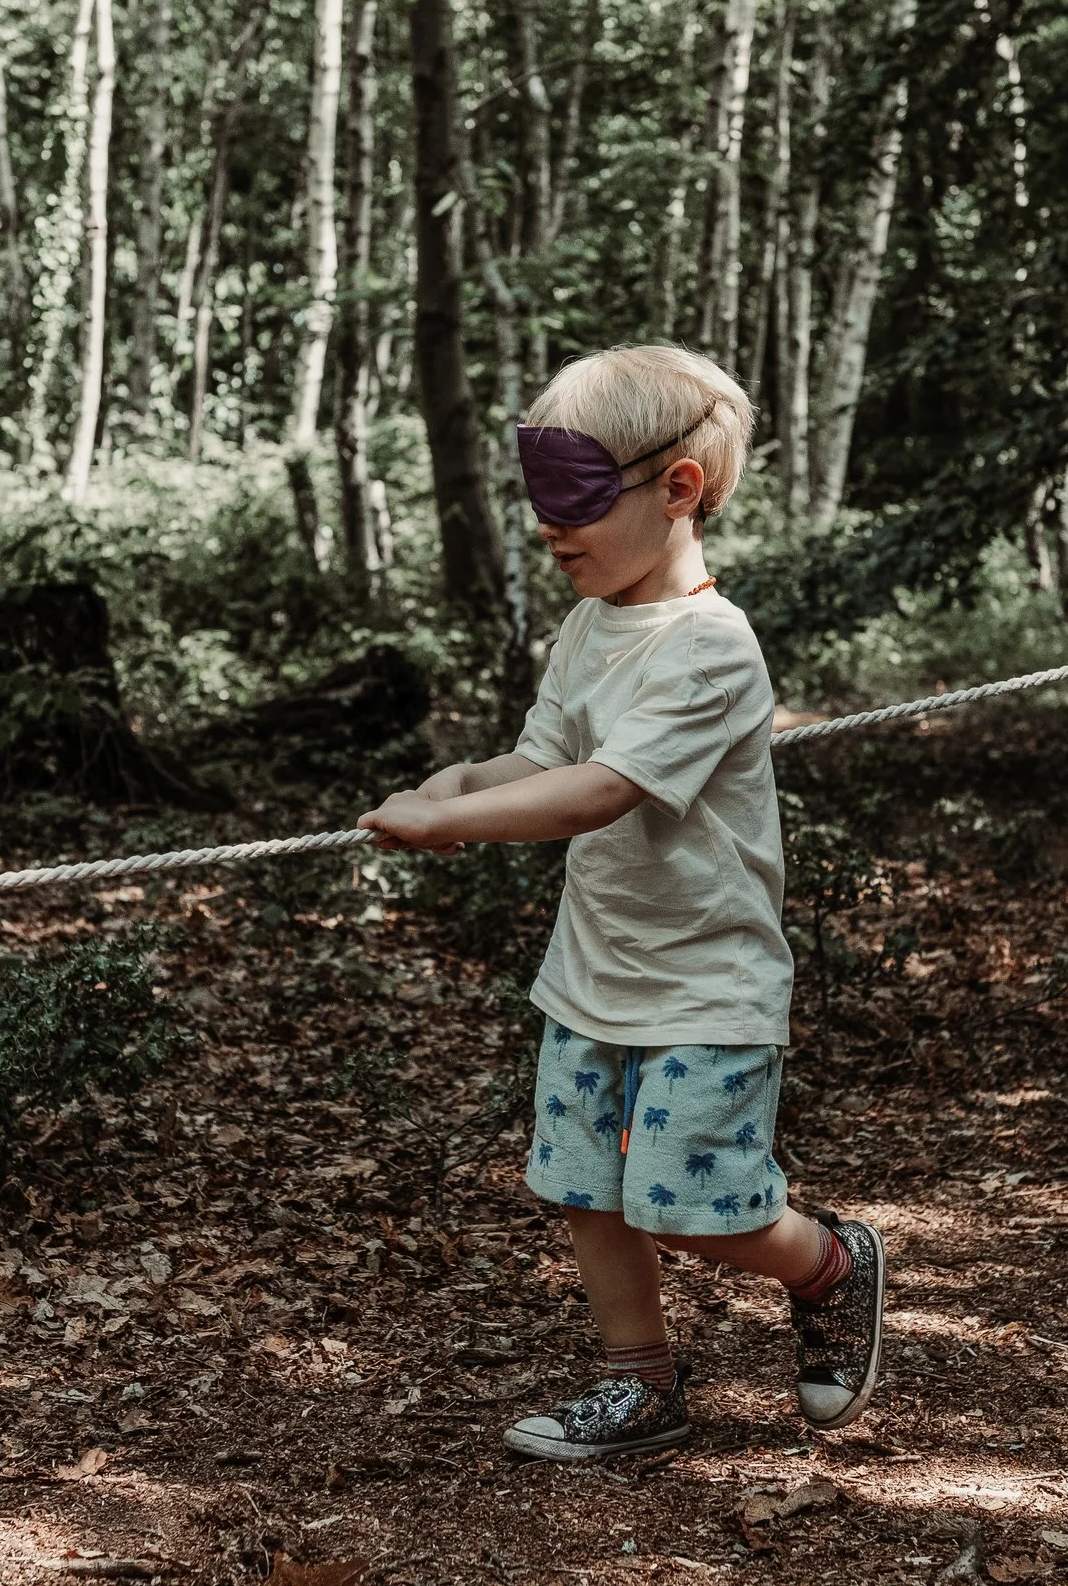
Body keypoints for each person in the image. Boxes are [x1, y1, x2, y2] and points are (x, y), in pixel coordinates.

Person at [357, 343, 885, 1461]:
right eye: (538, 496)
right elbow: (546, 754)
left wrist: (450, 823)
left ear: (677, 488)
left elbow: (598, 791)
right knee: (589, 1192)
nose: (549, 528)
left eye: (574, 498)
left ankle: (830, 1264)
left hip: (705, 983)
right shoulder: (593, 620)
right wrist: (458, 783)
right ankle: (641, 1385)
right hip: (593, 974)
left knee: (701, 1207)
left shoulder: (709, 647)